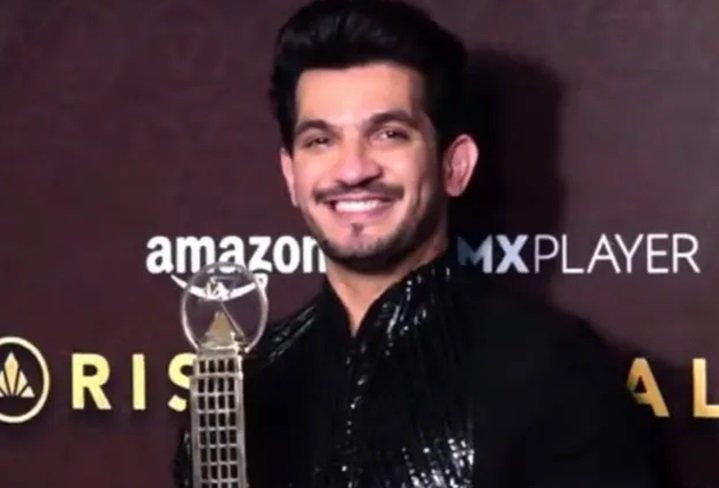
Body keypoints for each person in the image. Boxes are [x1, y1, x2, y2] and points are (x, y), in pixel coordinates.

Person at [173, 0, 659, 486]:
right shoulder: (240, 389)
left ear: (455, 166)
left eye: (389, 134)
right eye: (320, 140)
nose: (352, 169)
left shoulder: (553, 367)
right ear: (291, 175)